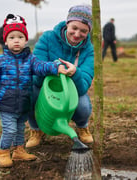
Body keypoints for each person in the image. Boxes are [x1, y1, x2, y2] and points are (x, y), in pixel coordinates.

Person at [0, 14, 75, 168]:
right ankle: (3, 152)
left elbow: (41, 66)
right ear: (5, 41)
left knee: (19, 129)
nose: (16, 40)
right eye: (12, 37)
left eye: (20, 37)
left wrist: (55, 68)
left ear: (26, 40)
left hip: (24, 103)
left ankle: (19, 151)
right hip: (6, 104)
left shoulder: (30, 59)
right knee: (10, 130)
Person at [26, 5, 94, 148]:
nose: (77, 34)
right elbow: (34, 70)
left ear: (88, 32)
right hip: (45, 86)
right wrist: (53, 69)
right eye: (74, 28)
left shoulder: (88, 50)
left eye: (83, 31)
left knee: (83, 105)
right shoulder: (48, 38)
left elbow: (83, 87)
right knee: (29, 95)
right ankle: (36, 129)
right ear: (67, 23)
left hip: (72, 89)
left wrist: (75, 73)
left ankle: (82, 127)